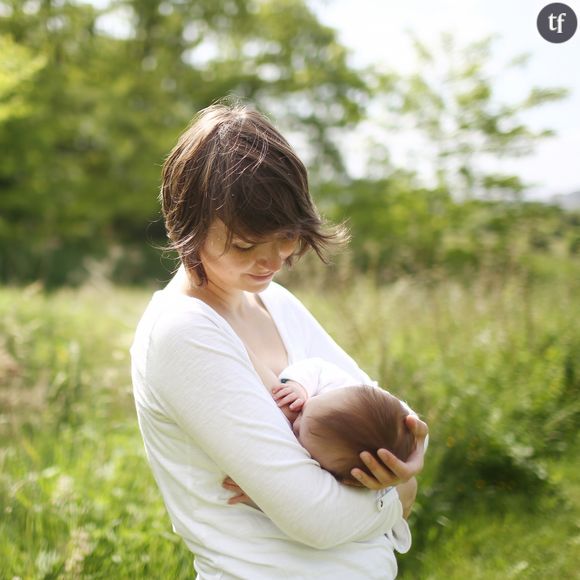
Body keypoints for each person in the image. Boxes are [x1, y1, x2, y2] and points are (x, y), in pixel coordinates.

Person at [131, 102, 428, 580]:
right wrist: (398, 493)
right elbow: (316, 519)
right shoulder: (183, 331)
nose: (272, 261)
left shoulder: (275, 302)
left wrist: (385, 481)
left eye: (287, 237)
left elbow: (404, 428)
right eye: (247, 245)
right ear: (186, 222)